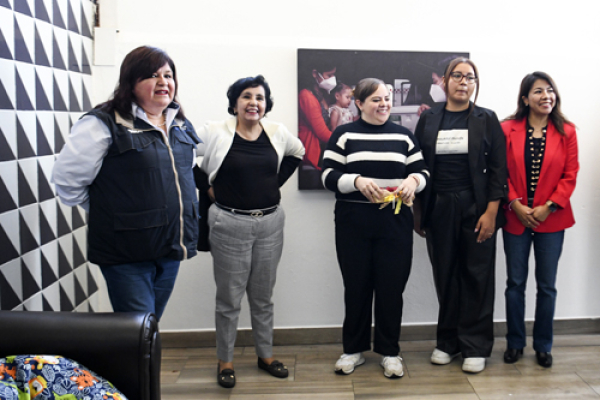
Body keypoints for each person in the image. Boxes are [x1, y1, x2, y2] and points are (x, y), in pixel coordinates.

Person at [52, 46, 200, 320]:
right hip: (126, 254)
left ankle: (147, 366)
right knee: (136, 331)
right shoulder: (103, 123)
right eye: (152, 75)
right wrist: (110, 209)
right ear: (131, 82)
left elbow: (182, 177)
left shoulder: (180, 123)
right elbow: (67, 182)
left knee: (149, 327)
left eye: (168, 75)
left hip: (170, 247)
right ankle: (134, 366)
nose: (163, 82)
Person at [194, 75, 305, 388]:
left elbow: (298, 152)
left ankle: (265, 355)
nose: (253, 103)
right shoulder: (215, 131)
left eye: (259, 97)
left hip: (271, 223)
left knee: (263, 296)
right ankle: (225, 361)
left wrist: (274, 183)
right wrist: (208, 189)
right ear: (234, 103)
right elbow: (182, 152)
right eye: (246, 96)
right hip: (229, 223)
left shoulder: (277, 132)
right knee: (229, 299)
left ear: (266, 104)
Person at [322, 78, 429, 379]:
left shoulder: (404, 137)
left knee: (391, 289)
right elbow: (327, 174)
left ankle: (390, 352)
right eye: (375, 100)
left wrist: (414, 181)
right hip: (352, 223)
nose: (383, 104)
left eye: (386, 99)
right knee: (356, 287)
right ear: (359, 103)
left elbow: (422, 171)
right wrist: (355, 181)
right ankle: (352, 350)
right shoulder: (343, 135)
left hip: (395, 222)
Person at [413, 58, 507, 373]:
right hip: (438, 205)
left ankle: (476, 346)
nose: (463, 82)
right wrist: (419, 210)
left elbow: (498, 170)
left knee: (477, 276)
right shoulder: (428, 118)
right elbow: (418, 166)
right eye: (457, 76)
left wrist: (492, 211)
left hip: (476, 206)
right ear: (445, 81)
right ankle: (448, 343)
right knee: (446, 274)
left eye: (470, 77)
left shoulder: (486, 118)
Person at [501, 72, 579, 368]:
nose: (546, 96)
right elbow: (499, 172)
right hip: (515, 217)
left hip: (552, 220)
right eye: (538, 91)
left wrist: (549, 206)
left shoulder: (567, 131)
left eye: (550, 91)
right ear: (525, 99)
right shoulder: (507, 129)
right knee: (515, 283)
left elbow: (570, 176)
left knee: (547, 286)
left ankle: (543, 345)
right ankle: (515, 342)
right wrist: (515, 204)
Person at [298, 61, 337, 189]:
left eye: (333, 75)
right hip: (312, 156)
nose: (332, 79)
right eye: (328, 75)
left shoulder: (322, 94)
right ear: (315, 74)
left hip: (324, 152)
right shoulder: (306, 96)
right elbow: (322, 133)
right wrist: (344, 141)